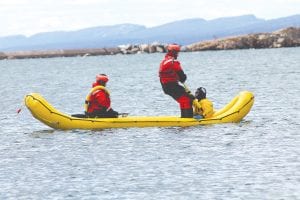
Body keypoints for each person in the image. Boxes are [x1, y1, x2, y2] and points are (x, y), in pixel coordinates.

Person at [159, 44, 194, 118]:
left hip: (166, 86)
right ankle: (188, 119)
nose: (178, 54)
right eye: (177, 52)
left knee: (186, 99)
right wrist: (182, 77)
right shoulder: (173, 62)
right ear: (174, 52)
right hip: (171, 86)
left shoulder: (164, 61)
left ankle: (185, 118)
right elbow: (182, 77)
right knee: (187, 99)